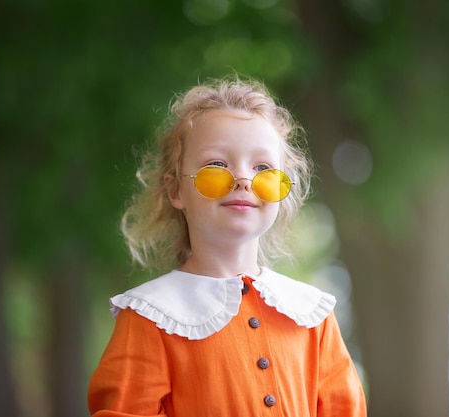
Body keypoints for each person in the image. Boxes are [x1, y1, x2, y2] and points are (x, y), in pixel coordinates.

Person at [87, 76, 368, 417]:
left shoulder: (312, 315)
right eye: (216, 165)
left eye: (262, 168)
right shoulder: (150, 317)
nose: (242, 180)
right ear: (176, 190)